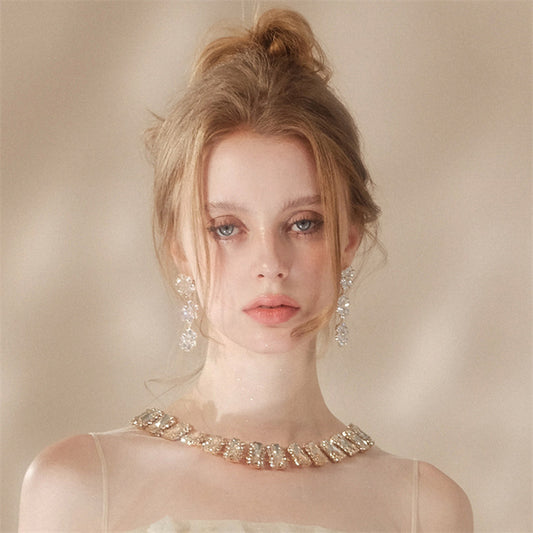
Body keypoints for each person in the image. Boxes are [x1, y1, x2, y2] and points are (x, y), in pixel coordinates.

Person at [19, 9, 473, 532]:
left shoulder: (425, 508)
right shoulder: (79, 486)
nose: (271, 266)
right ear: (180, 247)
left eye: (303, 223)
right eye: (227, 228)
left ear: (348, 239)